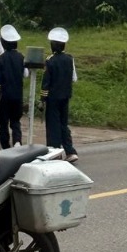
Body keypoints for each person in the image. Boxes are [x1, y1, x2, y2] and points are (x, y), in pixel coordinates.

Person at [42, 27, 79, 163]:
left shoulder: (50, 60)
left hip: (53, 98)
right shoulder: (70, 59)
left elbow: (46, 82)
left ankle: (55, 152)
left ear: (53, 45)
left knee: (53, 125)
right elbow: (74, 78)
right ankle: (70, 151)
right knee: (64, 124)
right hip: (66, 96)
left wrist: (42, 98)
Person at [0, 24, 25, 149]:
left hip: (4, 97)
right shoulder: (21, 57)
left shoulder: (0, 58)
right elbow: (26, 74)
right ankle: (17, 141)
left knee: (3, 122)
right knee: (16, 120)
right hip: (18, 95)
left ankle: (6, 146)